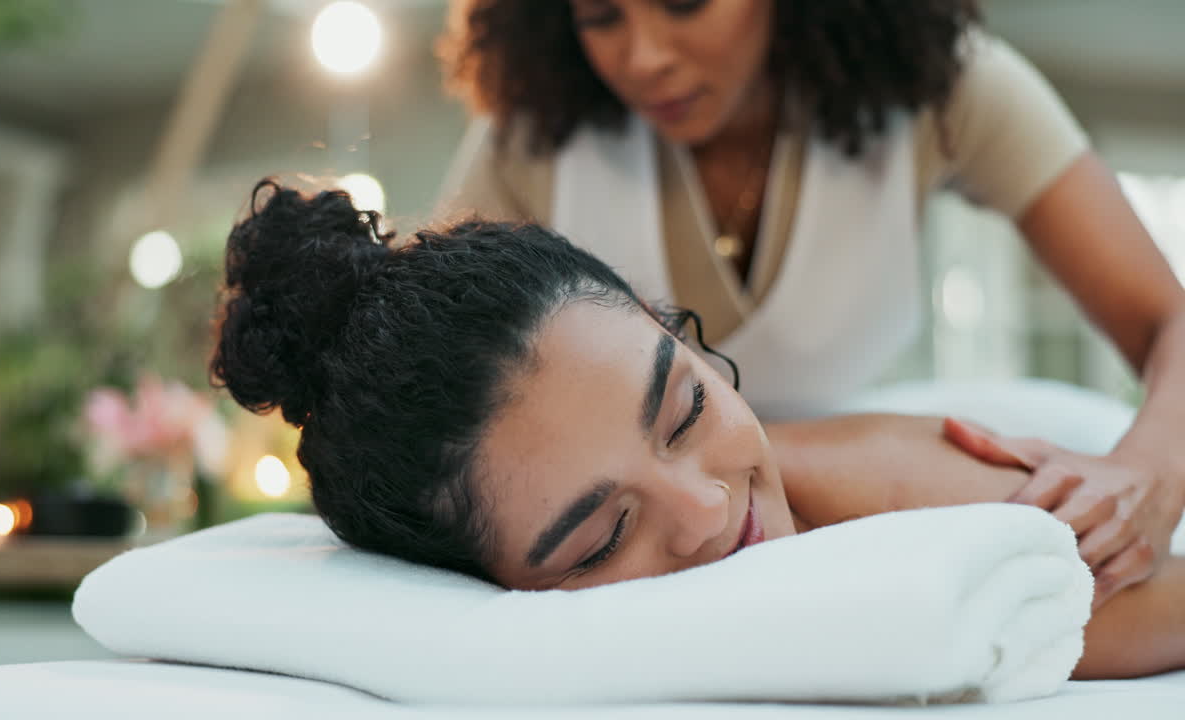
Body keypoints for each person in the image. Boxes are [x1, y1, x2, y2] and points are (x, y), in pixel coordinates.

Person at [210, 180, 1184, 680]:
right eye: (598, 538)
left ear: (663, 322)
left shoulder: (915, 507)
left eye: (683, 408)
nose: (710, 508)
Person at [434, 0, 1185, 606]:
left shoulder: (947, 89)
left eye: (685, 4)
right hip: (655, 496)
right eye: (600, 17)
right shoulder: (529, 140)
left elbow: (1168, 318)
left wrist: (1153, 470)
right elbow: (428, 381)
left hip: (863, 452)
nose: (644, 55)